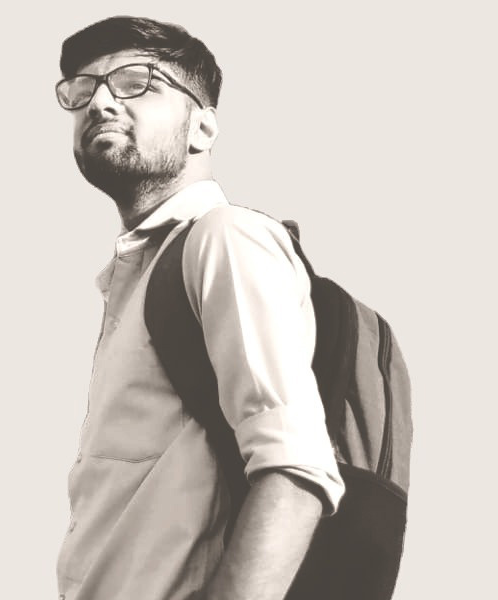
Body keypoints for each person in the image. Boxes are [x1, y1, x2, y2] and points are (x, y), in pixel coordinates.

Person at [55, 16, 345, 600]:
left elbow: (294, 472)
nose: (100, 102)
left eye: (136, 83)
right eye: (82, 90)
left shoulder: (224, 239)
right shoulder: (140, 278)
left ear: (202, 128)